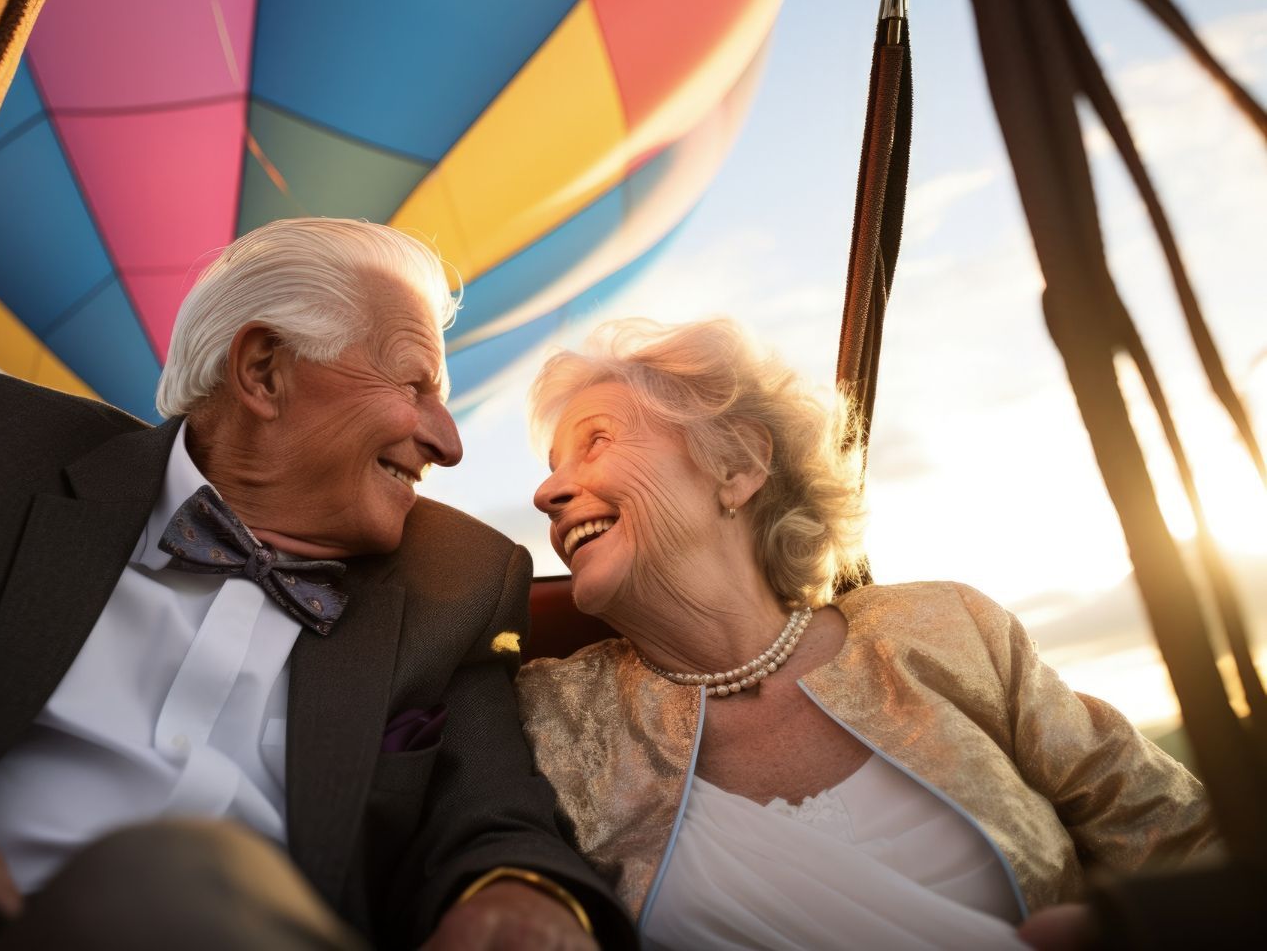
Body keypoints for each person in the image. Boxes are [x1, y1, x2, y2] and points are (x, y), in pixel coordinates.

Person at [0, 218, 631, 951]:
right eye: (414, 386)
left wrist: (521, 899)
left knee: (167, 877)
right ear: (263, 371)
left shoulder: (463, 579)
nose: (447, 443)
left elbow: (494, 814)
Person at [516, 318, 1218, 951]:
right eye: (551, 471)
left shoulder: (949, 630)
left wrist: (1120, 923)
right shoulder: (547, 719)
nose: (547, 494)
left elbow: (1188, 839)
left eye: (596, 441)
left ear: (735, 468)